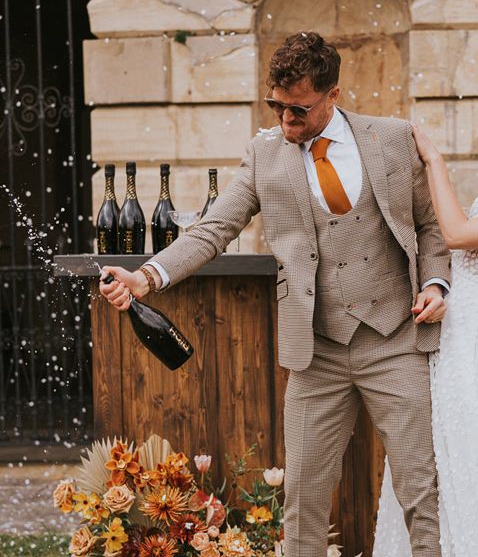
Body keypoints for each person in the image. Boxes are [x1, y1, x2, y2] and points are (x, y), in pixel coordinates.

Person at [99, 32, 450, 557]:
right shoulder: (265, 155)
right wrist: (146, 277)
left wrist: (434, 283)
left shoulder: (392, 139)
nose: (286, 119)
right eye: (277, 106)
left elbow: (431, 226)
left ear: (333, 93)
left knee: (421, 491)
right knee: (303, 500)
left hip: (394, 339)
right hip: (317, 352)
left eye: (299, 109)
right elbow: (211, 230)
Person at [373, 125, 478, 557]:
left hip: (468, 343)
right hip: (456, 332)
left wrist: (434, 158)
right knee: (436, 449)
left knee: (460, 451)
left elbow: (454, 233)